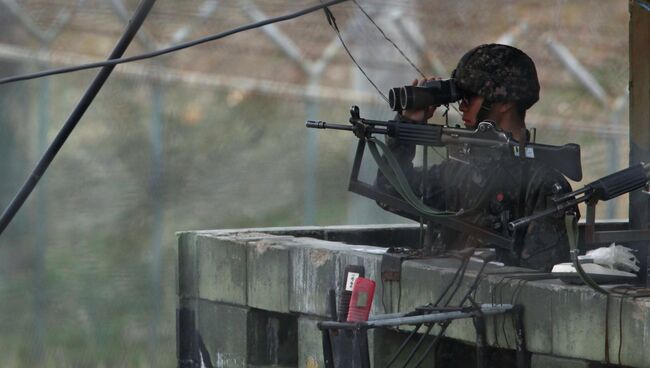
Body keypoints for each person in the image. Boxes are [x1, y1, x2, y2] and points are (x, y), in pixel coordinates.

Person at [376, 43, 576, 271]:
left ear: (505, 103)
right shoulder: (459, 172)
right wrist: (407, 127)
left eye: (469, 97)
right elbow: (389, 193)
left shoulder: (543, 186)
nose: (461, 106)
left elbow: (544, 283)